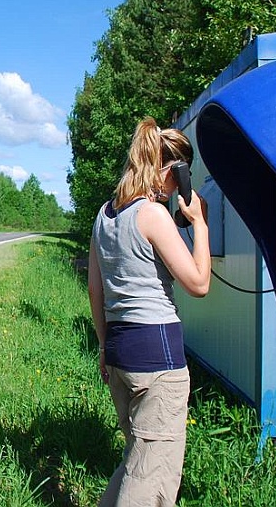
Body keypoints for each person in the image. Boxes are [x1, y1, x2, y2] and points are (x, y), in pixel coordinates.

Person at [88, 117, 210, 507]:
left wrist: (105, 347)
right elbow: (199, 283)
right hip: (157, 357)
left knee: (138, 461)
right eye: (179, 180)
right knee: (152, 481)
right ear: (171, 172)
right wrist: (200, 224)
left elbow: (96, 289)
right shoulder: (153, 215)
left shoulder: (105, 215)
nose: (177, 191)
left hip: (121, 352)